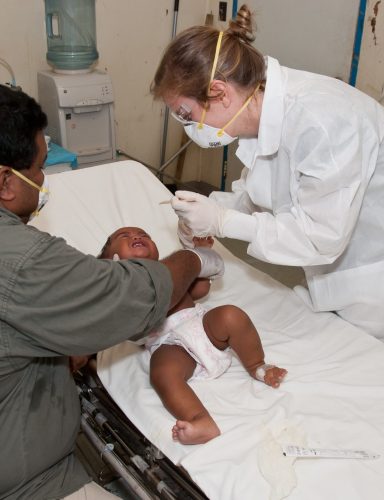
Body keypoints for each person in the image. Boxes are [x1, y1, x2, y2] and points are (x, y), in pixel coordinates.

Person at [150, 4, 384, 368]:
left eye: (186, 114)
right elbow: (259, 191)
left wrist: (223, 222)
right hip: (333, 282)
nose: (187, 126)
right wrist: (208, 213)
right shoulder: (258, 116)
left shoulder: (323, 120)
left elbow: (320, 236)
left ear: (220, 92)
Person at [0, 85, 224, 499]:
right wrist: (191, 260)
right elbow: (133, 297)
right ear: (5, 183)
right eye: (39, 169)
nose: (44, 179)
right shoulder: (27, 262)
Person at [99, 226, 287, 445]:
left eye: (144, 235)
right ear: (109, 260)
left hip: (202, 325)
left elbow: (200, 290)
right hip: (170, 344)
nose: (137, 237)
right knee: (162, 372)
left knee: (231, 315)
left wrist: (199, 251)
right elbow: (126, 327)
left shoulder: (167, 271)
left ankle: (257, 366)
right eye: (125, 236)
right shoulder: (119, 290)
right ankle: (200, 419)